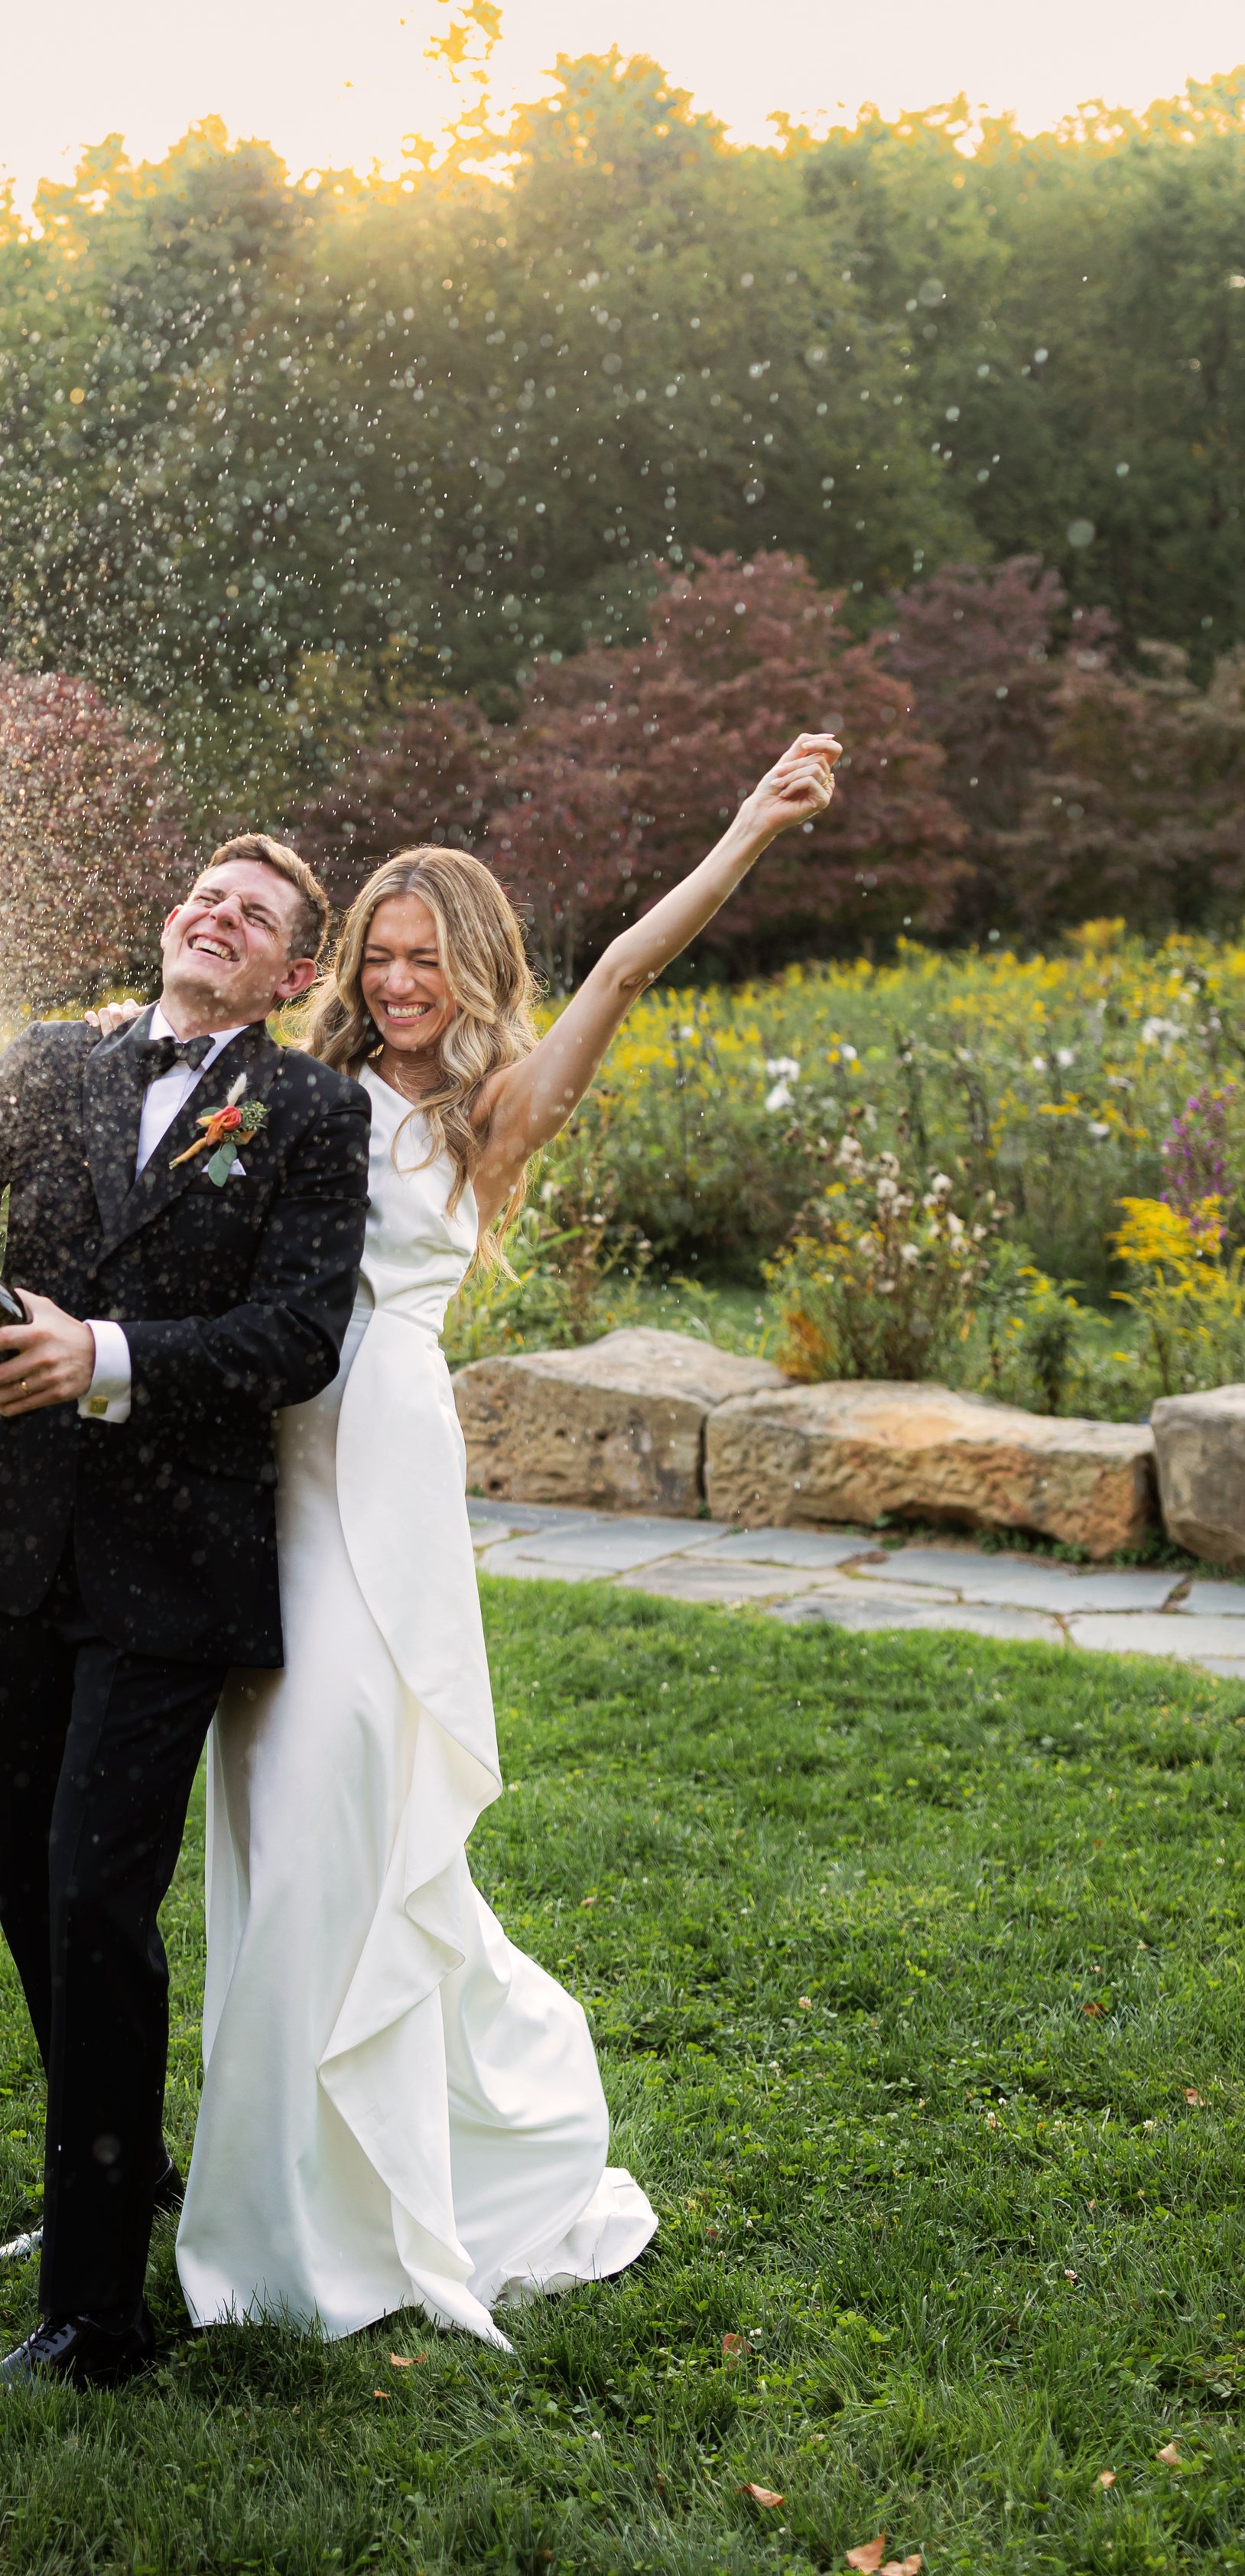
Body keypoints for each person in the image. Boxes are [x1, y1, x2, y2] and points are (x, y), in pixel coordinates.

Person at [163, 730, 842, 2347]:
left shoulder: (490, 1118)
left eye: (426, 960)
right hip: (265, 1447)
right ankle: (272, 2184)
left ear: (469, 968)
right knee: (271, 1805)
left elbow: (618, 964)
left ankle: (390, 2181)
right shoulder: (296, 1092)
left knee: (346, 1781)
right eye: (380, 960)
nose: (400, 985)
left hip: (379, 1465)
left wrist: (747, 821)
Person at [0, 834, 370, 2390]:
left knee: (96, 1899)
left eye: (258, 915)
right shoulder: (51, 1062)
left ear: (291, 976)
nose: (217, 915)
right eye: (203, 894)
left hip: (174, 1566)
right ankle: (119, 2169)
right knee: (30, 1885)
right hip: (8, 1537)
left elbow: (295, 1337)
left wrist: (108, 1356)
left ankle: (96, 2316)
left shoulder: (307, 1110)